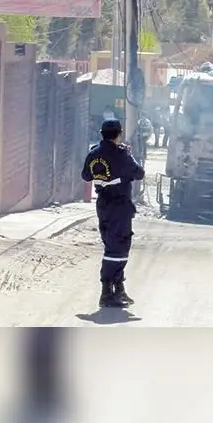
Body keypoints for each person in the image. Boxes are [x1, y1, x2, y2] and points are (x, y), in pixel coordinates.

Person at [80, 119, 146, 308]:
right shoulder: (121, 154)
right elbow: (139, 173)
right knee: (118, 249)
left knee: (112, 245)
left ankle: (118, 288)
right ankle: (107, 292)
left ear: (102, 133)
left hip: (103, 204)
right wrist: (128, 155)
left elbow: (86, 176)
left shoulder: (93, 153)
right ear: (118, 134)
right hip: (119, 206)